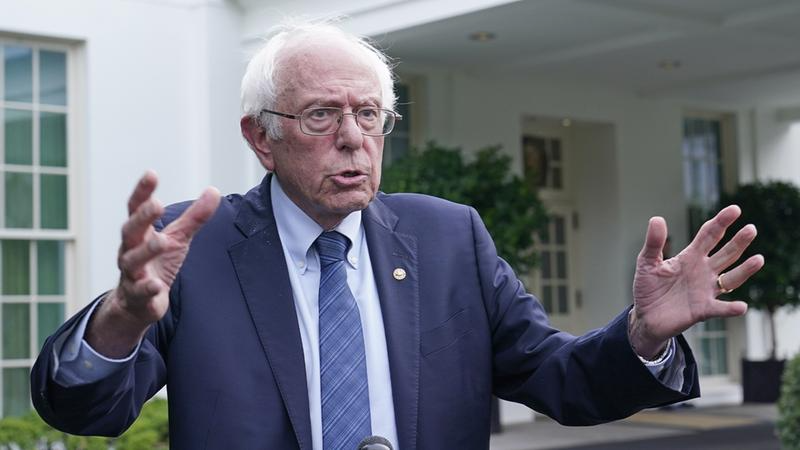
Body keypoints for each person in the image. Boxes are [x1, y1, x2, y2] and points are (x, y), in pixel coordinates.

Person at [31, 21, 763, 450]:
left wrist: (642, 336)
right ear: (260, 138)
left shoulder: (449, 238)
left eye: (370, 115)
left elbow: (563, 382)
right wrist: (122, 318)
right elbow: (83, 410)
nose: (354, 139)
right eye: (321, 115)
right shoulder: (196, 243)